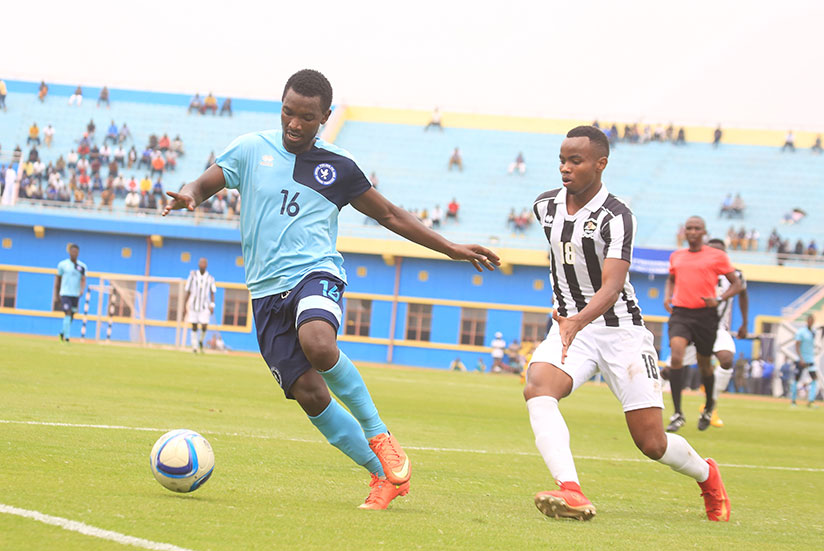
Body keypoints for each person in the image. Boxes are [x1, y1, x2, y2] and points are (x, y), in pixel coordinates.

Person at [163, 69, 499, 510]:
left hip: (316, 273)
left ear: (325, 117)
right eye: (288, 112)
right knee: (311, 394)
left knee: (319, 344)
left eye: (307, 117)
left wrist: (450, 247)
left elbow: (390, 215)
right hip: (265, 292)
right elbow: (203, 184)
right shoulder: (250, 149)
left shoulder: (338, 166)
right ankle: (384, 476)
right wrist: (189, 195)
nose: (294, 124)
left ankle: (380, 436)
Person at [524, 126, 729, 522]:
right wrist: (570, 320)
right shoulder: (544, 205)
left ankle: (707, 476)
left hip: (622, 333)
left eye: (576, 161)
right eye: (562, 160)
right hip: (570, 329)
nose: (565, 168)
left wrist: (578, 320)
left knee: (651, 442)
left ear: (601, 164)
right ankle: (571, 489)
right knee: (538, 388)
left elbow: (613, 285)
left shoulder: (617, 217)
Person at [664, 217, 743, 432]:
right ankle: (677, 413)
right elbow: (671, 278)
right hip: (681, 313)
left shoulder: (717, 256)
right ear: (684, 231)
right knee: (677, 356)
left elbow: (737, 284)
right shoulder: (677, 256)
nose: (692, 231)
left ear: (704, 232)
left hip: (705, 316)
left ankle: (708, 407)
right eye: (689, 228)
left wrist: (719, 299)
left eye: (697, 228)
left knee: (705, 364)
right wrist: (667, 296)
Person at [678, 239, 748, 428]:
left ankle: (710, 405)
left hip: (717, 328)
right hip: (693, 328)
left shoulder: (735, 275)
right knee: (671, 370)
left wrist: (744, 323)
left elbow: (743, 294)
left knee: (726, 359)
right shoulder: (696, 270)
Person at [55, 244, 87, 342]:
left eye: (76, 252)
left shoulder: (82, 266)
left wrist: (82, 289)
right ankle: (67, 337)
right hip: (65, 293)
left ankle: (62, 333)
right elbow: (58, 279)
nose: (74, 253)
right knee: (67, 313)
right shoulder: (63, 264)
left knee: (72, 314)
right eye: (72, 251)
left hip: (75, 294)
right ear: (69, 252)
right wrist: (57, 294)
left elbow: (83, 279)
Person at [185, 258, 217, 353]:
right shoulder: (192, 276)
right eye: (201, 263)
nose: (202, 265)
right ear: (198, 264)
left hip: (205, 306)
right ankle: (194, 346)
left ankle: (201, 340)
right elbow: (188, 291)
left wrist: (212, 305)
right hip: (193, 305)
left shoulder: (210, 278)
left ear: (206, 265)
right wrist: (184, 305)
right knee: (194, 325)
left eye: (204, 263)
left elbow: (212, 292)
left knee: (204, 325)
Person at [791, 314, 818, 407]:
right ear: (807, 321)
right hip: (801, 359)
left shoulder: (813, 332)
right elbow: (797, 345)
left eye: (812, 320)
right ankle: (793, 401)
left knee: (814, 379)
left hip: (810, 359)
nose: (811, 322)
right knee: (796, 379)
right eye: (809, 320)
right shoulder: (801, 332)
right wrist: (801, 359)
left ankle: (811, 401)